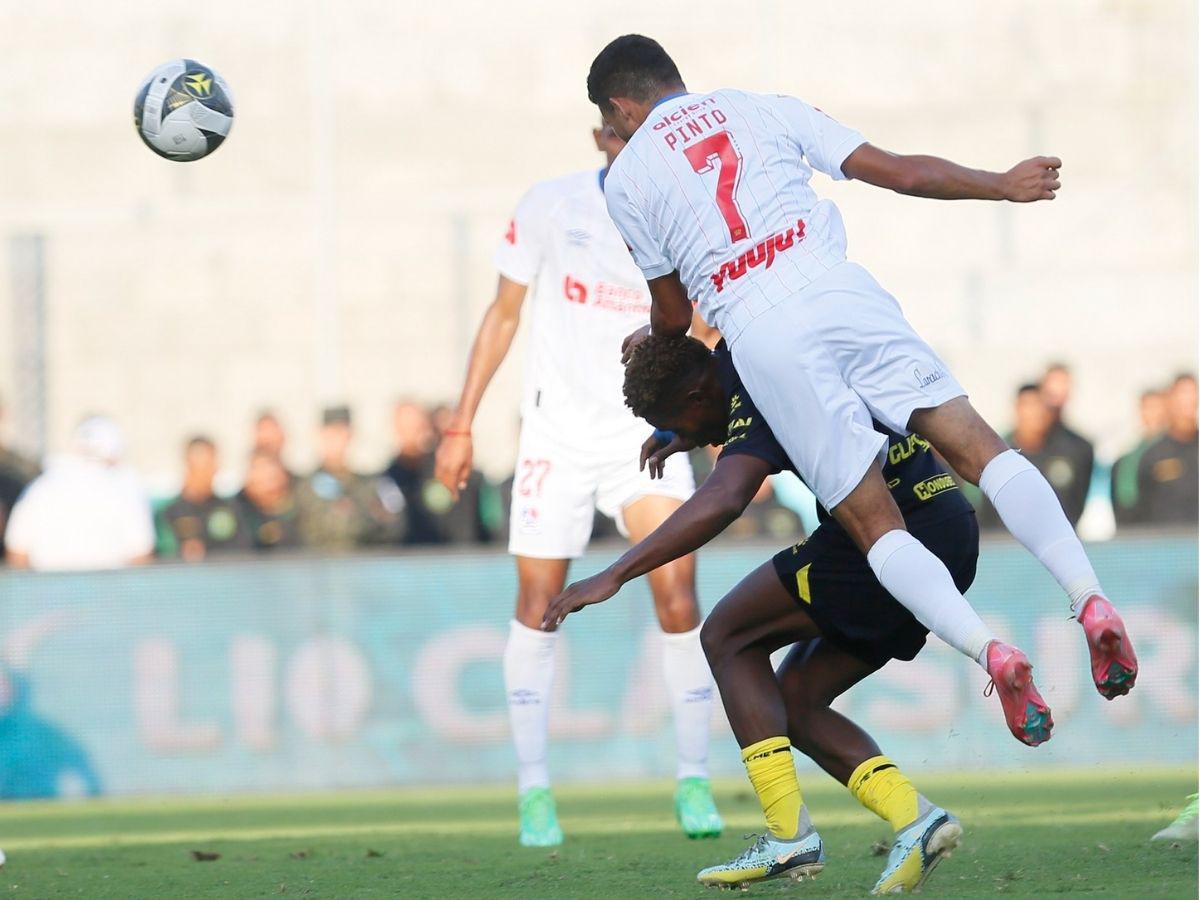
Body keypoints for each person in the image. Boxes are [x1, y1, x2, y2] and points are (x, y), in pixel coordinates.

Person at [585, 34, 1136, 717]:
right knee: (983, 451)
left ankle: (992, 654)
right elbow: (901, 172)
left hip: (764, 332)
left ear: (620, 108)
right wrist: (1000, 184)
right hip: (841, 290)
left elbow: (673, 313)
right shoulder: (764, 107)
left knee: (876, 526)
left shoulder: (627, 178)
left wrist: (653, 333)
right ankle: (1089, 597)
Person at [543, 334, 1050, 893]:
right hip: (946, 519)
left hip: (889, 533)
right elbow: (706, 349)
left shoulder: (760, 395)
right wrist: (676, 414)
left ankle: (788, 838)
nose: (698, 441)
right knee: (794, 701)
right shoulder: (748, 348)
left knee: (727, 635)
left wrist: (616, 572)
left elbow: (726, 496)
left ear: (696, 396)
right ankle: (917, 819)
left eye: (681, 422)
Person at [434, 121, 722, 846]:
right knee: (537, 605)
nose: (635, 153)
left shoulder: (686, 216)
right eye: (624, 138)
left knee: (678, 592)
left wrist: (707, 419)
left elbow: (712, 326)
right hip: (556, 438)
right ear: (601, 136)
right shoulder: (550, 206)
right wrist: (461, 423)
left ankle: (693, 778)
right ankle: (534, 790)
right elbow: (503, 315)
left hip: (644, 436)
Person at [4, 417, 154, 571]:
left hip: (48, 583)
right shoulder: (125, 489)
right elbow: (141, 555)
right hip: (108, 584)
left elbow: (17, 552)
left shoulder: (40, 487)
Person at [975, 384, 1093, 528]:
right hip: (1004, 539)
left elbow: (1076, 503)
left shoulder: (1070, 453)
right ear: (1017, 409)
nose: (1035, 413)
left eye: (1040, 405)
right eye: (1029, 406)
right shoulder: (998, 455)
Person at [294, 406, 406, 551]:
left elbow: (393, 525)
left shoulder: (370, 484)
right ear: (320, 435)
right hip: (320, 561)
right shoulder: (305, 486)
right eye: (331, 433)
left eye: (342, 432)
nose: (337, 440)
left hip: (364, 559)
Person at [384, 401, 492, 545]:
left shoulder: (453, 473)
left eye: (416, 427)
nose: (412, 434)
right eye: (407, 428)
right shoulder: (390, 478)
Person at [159, 436, 253, 561]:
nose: (210, 471)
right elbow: (163, 553)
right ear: (188, 465)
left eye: (211, 464)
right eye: (203, 465)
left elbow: (243, 551)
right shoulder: (170, 512)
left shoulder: (230, 509)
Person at [1134, 373, 1198, 526]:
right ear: (1170, 400)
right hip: (1165, 538)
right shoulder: (1153, 455)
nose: (1188, 402)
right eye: (1183, 395)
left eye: (1192, 395)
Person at [1110, 388, 1168, 528]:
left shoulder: (1183, 447)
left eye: (1157, 408)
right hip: (1143, 531)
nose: (1153, 414)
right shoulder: (1130, 458)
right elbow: (1125, 499)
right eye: (1148, 408)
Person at [236, 449, 300, 551]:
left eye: (271, 476)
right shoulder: (238, 509)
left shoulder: (300, 505)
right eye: (258, 471)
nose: (266, 481)